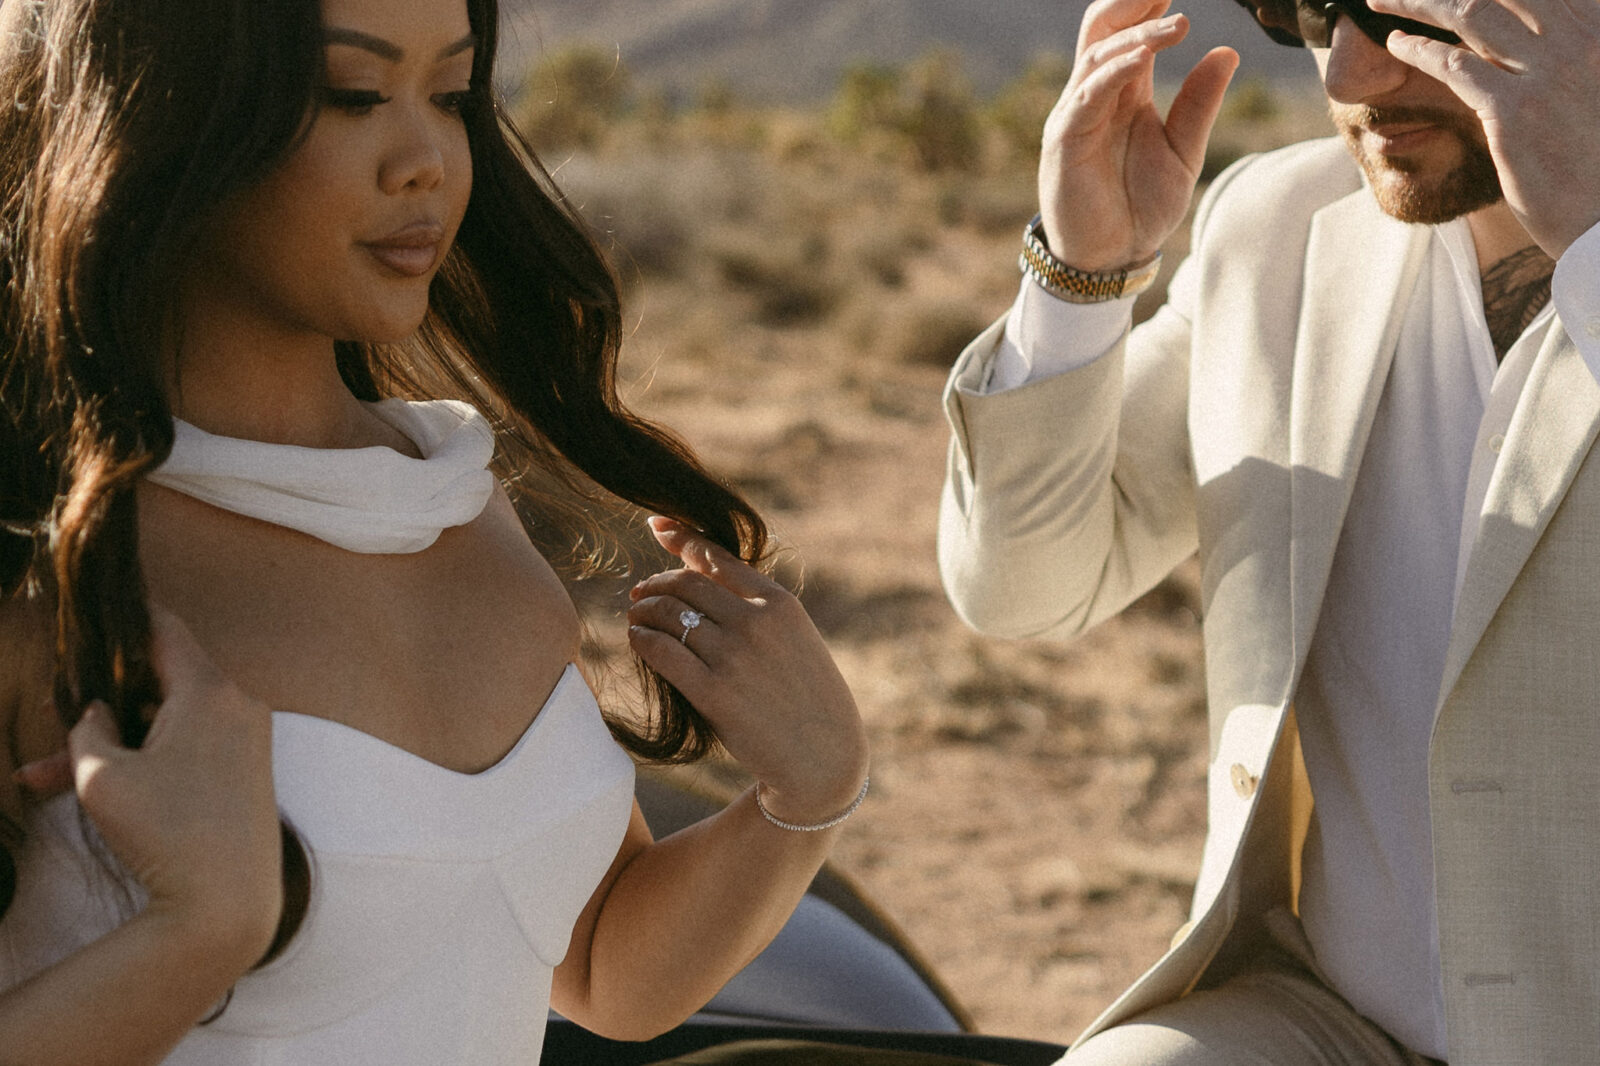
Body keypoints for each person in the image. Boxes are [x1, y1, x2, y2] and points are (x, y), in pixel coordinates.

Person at [0, 0, 872, 1062]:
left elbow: (600, 967)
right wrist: (197, 935)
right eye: (353, 95)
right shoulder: (44, 573)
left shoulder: (454, 505)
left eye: (451, 96)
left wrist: (808, 795)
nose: (425, 160)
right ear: (162, 115)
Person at [937, 0, 1600, 1059]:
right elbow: (1023, 588)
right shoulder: (1279, 223)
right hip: (1330, 1020)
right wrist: (1081, 275)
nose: (1349, 76)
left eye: (1401, 15)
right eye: (1312, 14)